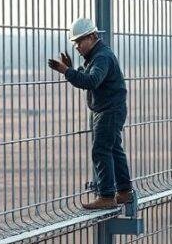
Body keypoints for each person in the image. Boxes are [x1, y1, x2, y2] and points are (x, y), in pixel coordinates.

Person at [48, 18, 133, 210]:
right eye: (75, 43)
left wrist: (66, 71)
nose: (77, 47)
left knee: (101, 150)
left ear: (93, 36)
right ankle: (124, 191)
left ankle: (106, 196)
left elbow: (91, 81)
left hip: (108, 111)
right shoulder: (99, 55)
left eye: (80, 41)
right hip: (110, 109)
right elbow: (91, 77)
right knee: (113, 149)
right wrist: (73, 69)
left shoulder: (101, 57)